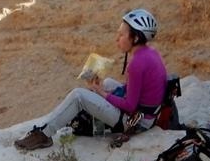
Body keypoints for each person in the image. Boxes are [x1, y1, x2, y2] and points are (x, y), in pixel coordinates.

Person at [15, 9, 168, 150]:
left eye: (121, 35)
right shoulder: (150, 53)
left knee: (78, 95)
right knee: (107, 82)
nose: (117, 39)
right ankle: (84, 108)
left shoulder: (137, 64)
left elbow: (130, 106)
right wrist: (101, 90)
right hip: (148, 115)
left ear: (135, 38)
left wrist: (102, 93)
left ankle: (44, 135)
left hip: (136, 122)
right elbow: (139, 91)